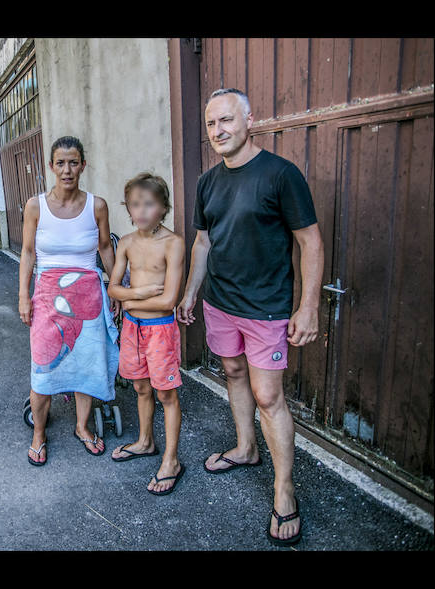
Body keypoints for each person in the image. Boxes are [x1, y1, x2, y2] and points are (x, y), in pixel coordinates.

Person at [177, 88, 324, 546]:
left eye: (226, 120)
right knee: (234, 372)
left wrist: (308, 305)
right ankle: (245, 449)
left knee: (268, 395)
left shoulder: (281, 175)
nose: (218, 131)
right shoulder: (207, 182)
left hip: (266, 308)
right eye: (211, 124)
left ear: (249, 120)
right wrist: (190, 293)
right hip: (220, 302)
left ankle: (284, 489)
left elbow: (310, 242)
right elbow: (203, 243)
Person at [19, 136, 120, 467]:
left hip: (88, 294)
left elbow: (105, 248)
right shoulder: (35, 206)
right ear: (51, 166)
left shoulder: (97, 206)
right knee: (43, 366)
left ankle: (82, 426)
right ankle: (38, 435)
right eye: (60, 163)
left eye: (73, 162)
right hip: (47, 295)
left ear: (83, 165)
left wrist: (117, 286)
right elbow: (28, 252)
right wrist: (23, 295)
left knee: (85, 365)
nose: (67, 169)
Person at [107, 173, 186, 495]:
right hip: (133, 329)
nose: (140, 211)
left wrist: (128, 297)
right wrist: (137, 294)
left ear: (164, 207)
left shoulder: (173, 243)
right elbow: (113, 288)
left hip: (160, 330)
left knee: (166, 394)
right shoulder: (125, 242)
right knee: (140, 388)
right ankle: (145, 441)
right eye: (135, 204)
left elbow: (169, 300)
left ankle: (171, 460)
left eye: (149, 204)